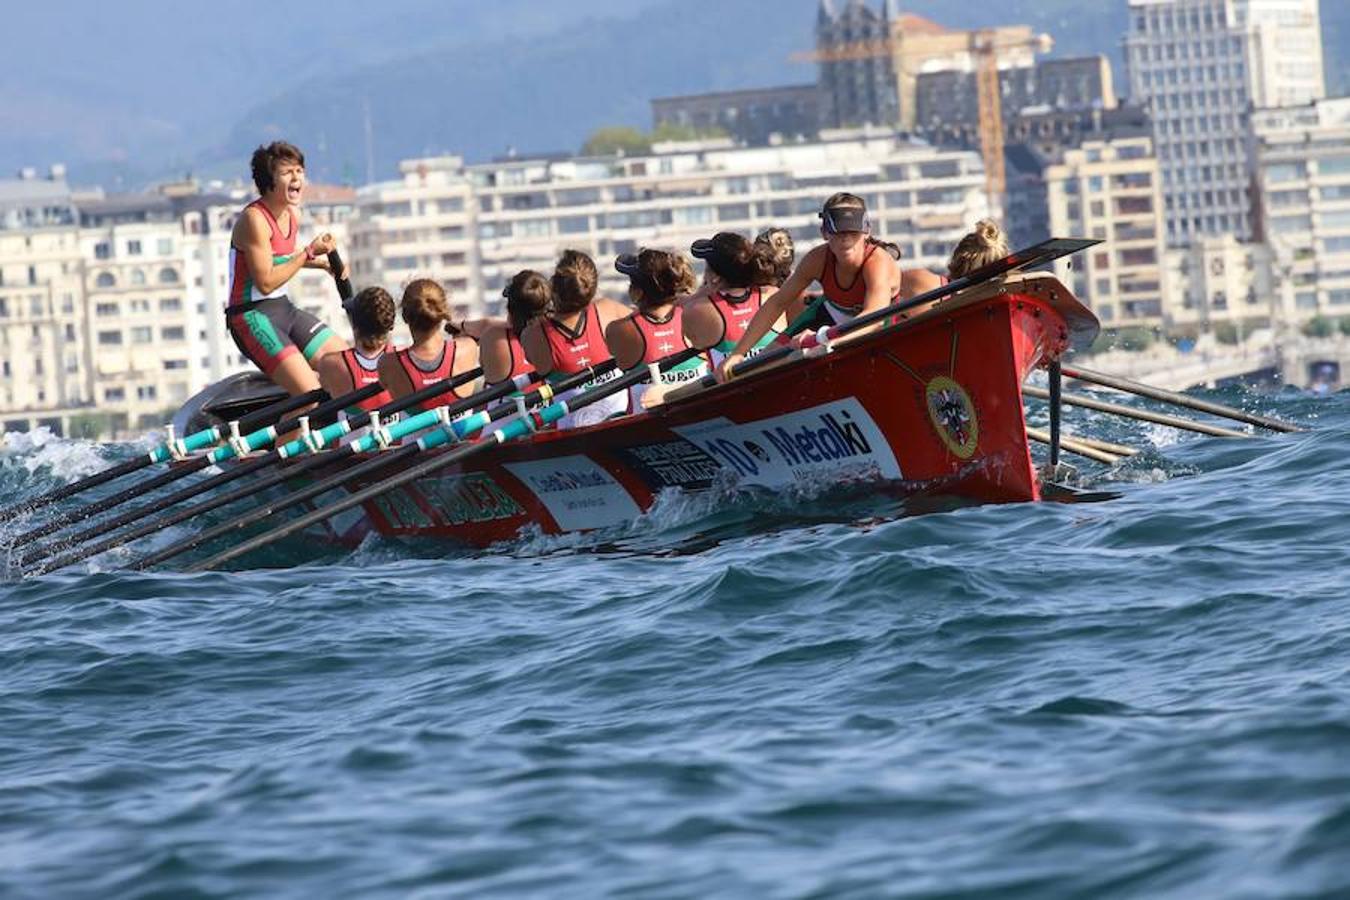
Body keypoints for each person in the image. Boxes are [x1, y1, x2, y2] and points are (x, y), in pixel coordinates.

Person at [716, 193, 901, 381]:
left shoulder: (877, 262)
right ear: (825, 233)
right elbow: (777, 304)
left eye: (853, 232)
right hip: (831, 312)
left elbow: (873, 318)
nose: (846, 240)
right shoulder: (817, 259)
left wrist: (823, 339)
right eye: (838, 232)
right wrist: (737, 354)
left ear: (866, 232)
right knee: (761, 364)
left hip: (876, 321)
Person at [226, 141, 348, 396]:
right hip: (251, 317)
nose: (297, 178)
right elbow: (266, 282)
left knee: (347, 369)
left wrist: (322, 265)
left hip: (284, 309)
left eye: (300, 171)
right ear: (269, 181)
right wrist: (308, 252)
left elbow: (279, 259)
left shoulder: (294, 214)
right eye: (287, 173)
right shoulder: (254, 220)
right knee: (310, 396)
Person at [521, 250, 629, 428]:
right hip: (621, 424)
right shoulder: (609, 310)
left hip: (571, 432)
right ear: (592, 287)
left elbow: (537, 365)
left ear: (553, 286)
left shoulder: (534, 333)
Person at [606, 249, 709, 410]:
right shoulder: (698, 315)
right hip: (700, 412)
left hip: (645, 423)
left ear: (637, 292)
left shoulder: (618, 329)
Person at [682, 232, 784, 370]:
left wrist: (705, 290)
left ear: (715, 277)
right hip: (774, 379)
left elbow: (697, 343)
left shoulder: (696, 310)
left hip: (730, 388)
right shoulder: (773, 295)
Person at [377, 279, 480, 413]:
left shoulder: (387, 363)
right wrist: (461, 326)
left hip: (415, 434)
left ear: (404, 317)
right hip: (464, 434)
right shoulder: (467, 347)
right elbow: (486, 330)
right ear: (442, 313)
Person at [317, 286, 395, 416]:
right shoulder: (402, 360)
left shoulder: (330, 363)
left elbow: (324, 385)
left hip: (353, 436)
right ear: (390, 325)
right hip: (397, 435)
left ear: (354, 325)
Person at [480, 270, 547, 386]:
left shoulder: (494, 338)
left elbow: (484, 365)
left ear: (510, 309)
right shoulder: (556, 332)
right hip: (552, 402)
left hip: (506, 403)